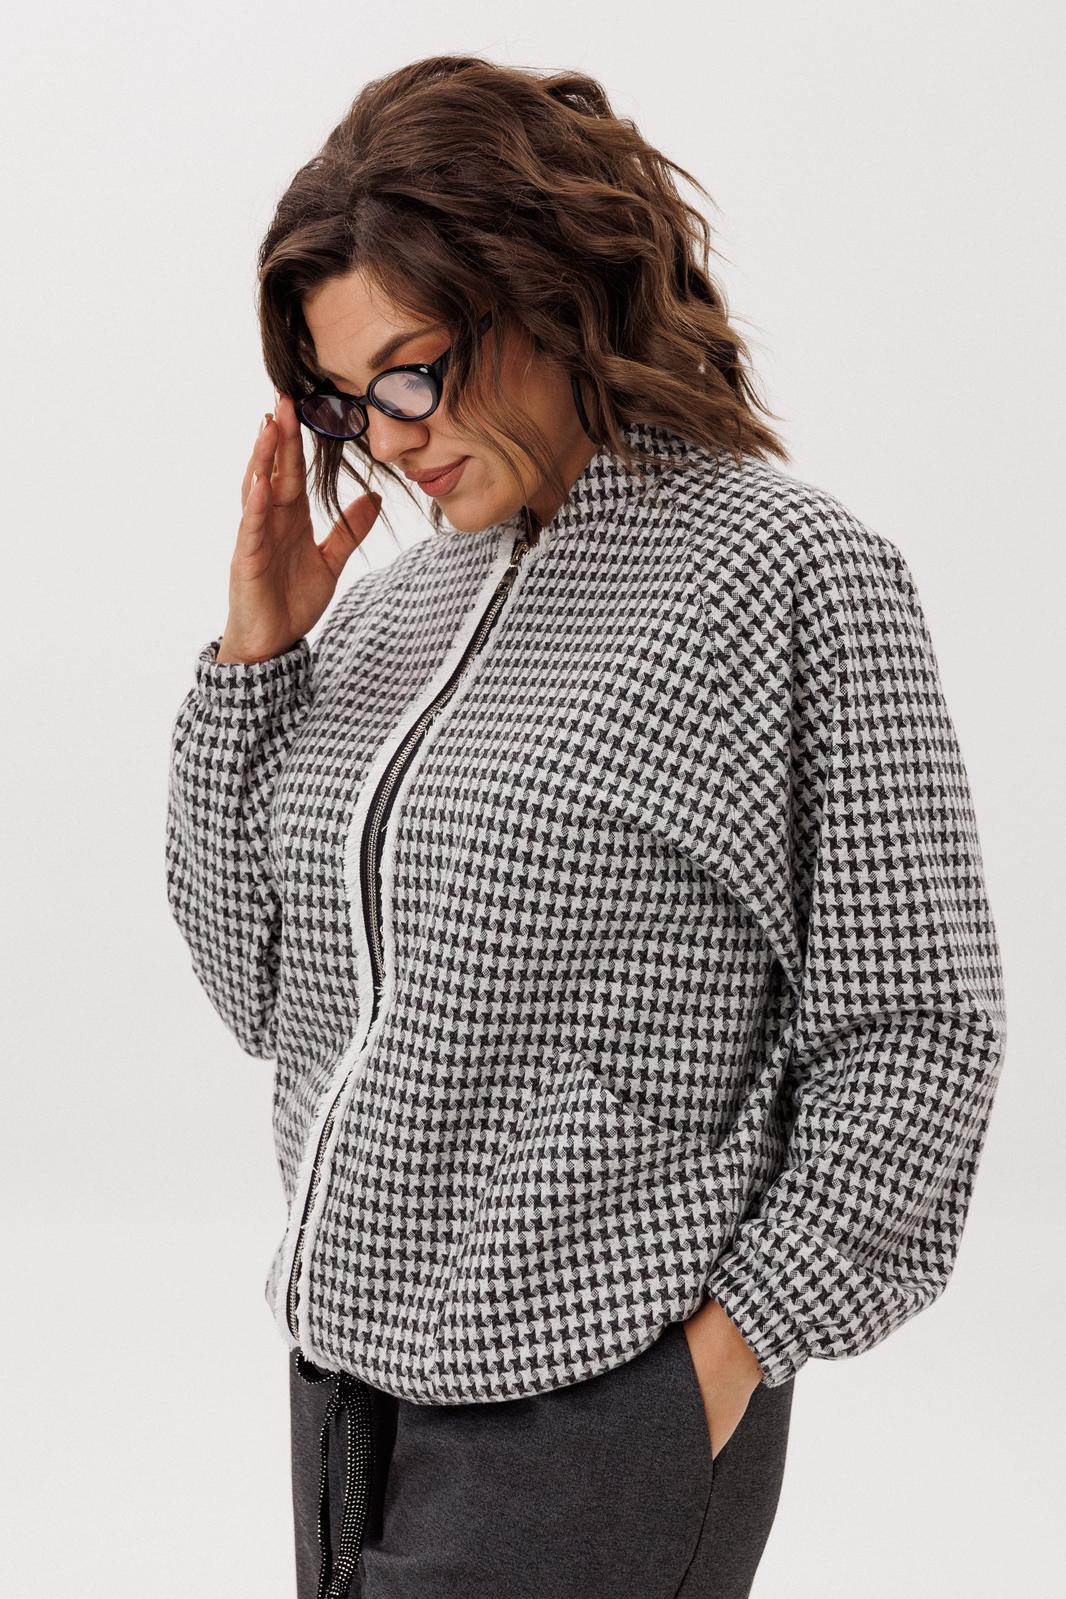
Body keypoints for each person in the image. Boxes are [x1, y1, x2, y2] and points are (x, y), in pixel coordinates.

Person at [164, 54, 1007, 1599]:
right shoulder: (396, 613)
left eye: (412, 370)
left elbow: (915, 1025)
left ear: (545, 288)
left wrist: (725, 1354)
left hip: (594, 1402)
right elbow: (264, 994)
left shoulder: (783, 574)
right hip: (344, 1391)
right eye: (349, 399)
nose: (389, 438)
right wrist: (256, 662)